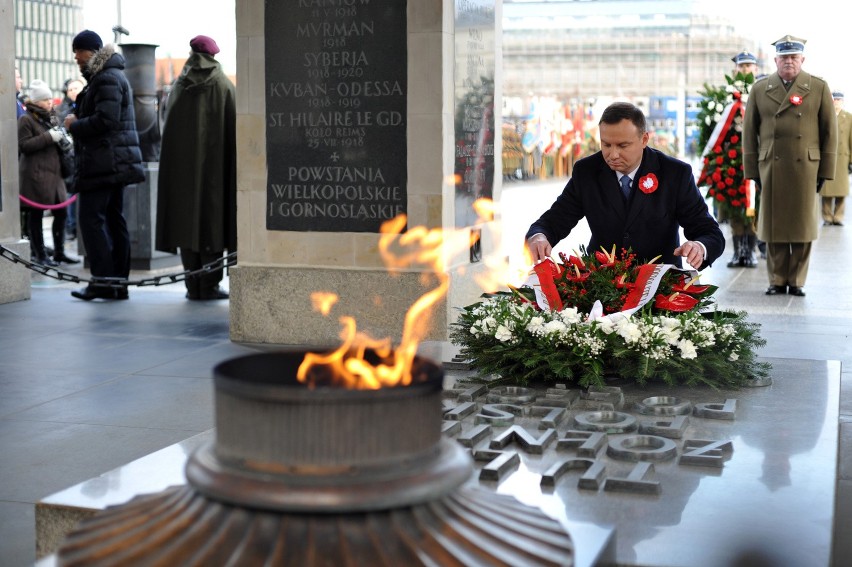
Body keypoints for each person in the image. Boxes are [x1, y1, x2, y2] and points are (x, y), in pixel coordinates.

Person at [526, 101, 725, 271]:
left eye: (622, 146)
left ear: (644, 139)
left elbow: (709, 232)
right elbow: (554, 220)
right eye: (606, 144)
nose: (612, 155)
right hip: (602, 281)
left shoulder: (675, 174)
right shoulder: (586, 172)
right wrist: (539, 236)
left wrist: (699, 246)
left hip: (660, 283)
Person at [743, 35, 838, 297]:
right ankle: (776, 279)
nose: (789, 62)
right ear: (775, 60)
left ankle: (796, 281)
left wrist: (826, 171)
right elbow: (749, 133)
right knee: (774, 228)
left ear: (802, 59)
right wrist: (752, 171)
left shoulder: (817, 87)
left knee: (802, 226)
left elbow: (829, 132)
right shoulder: (760, 89)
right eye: (784, 57)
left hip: (806, 168)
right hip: (771, 166)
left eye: (793, 57)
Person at [64, 30, 144, 301]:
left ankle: (103, 282)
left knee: (92, 220)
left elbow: (106, 121)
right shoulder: (109, 75)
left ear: (94, 51)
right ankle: (116, 284)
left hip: (103, 163)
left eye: (79, 50)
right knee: (112, 220)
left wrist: (75, 124)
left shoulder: (106, 77)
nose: (75, 56)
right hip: (112, 162)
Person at [156, 35, 236, 300]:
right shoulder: (223, 85)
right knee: (212, 221)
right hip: (215, 169)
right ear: (213, 56)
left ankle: (192, 284)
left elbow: (170, 128)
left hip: (183, 173)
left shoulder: (179, 86)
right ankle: (210, 284)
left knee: (186, 223)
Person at [698, 50, 761, 269]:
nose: (745, 70)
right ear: (735, 69)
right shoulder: (725, 97)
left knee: (752, 209)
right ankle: (738, 253)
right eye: (741, 66)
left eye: (749, 66)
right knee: (734, 210)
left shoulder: (761, 92)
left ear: (756, 69)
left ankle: (750, 251)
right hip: (728, 165)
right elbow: (711, 132)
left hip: (754, 162)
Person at [17, 79, 79, 266]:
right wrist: (49, 137)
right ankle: (40, 253)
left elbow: (57, 140)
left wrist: (65, 142)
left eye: (50, 98)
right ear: (36, 101)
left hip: (54, 174)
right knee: (36, 215)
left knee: (61, 213)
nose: (50, 102)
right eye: (45, 99)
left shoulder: (52, 117)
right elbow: (24, 145)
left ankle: (59, 252)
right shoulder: (26, 119)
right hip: (36, 175)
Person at [56, 77, 85, 241]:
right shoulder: (61, 110)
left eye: (77, 88)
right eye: (71, 89)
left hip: (83, 157)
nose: (74, 92)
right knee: (69, 195)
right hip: (69, 158)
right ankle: (71, 227)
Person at [821, 91, 851, 226]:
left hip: (843, 157)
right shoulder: (825, 116)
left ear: (843, 101)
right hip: (828, 157)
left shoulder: (849, 117)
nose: (837, 102)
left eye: (839, 100)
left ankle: (838, 217)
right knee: (826, 190)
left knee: (841, 190)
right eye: (835, 99)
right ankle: (827, 217)